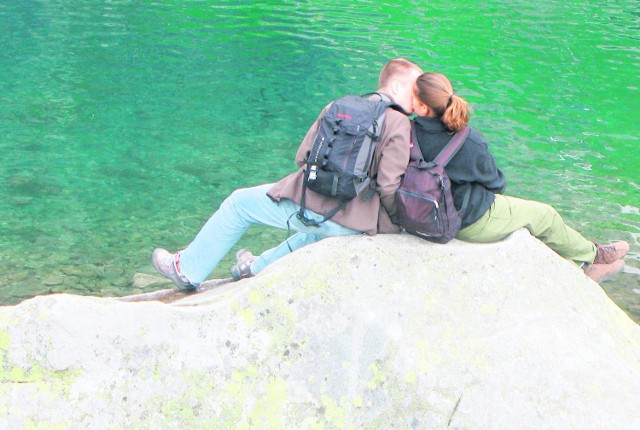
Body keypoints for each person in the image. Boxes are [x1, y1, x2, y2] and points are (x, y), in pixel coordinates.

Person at [152, 58, 424, 289]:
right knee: (314, 233)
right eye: (416, 88)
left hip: (317, 210)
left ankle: (185, 270)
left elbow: (302, 157)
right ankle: (252, 269)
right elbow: (389, 186)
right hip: (356, 224)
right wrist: (397, 223)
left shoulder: (338, 106)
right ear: (398, 85)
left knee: (239, 204)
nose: (419, 96)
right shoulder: (400, 124)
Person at [411, 71, 629, 282]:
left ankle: (584, 264)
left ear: (422, 107)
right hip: (465, 222)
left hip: (422, 214)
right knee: (545, 215)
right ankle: (593, 257)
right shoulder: (469, 141)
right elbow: (496, 183)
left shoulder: (406, 132)